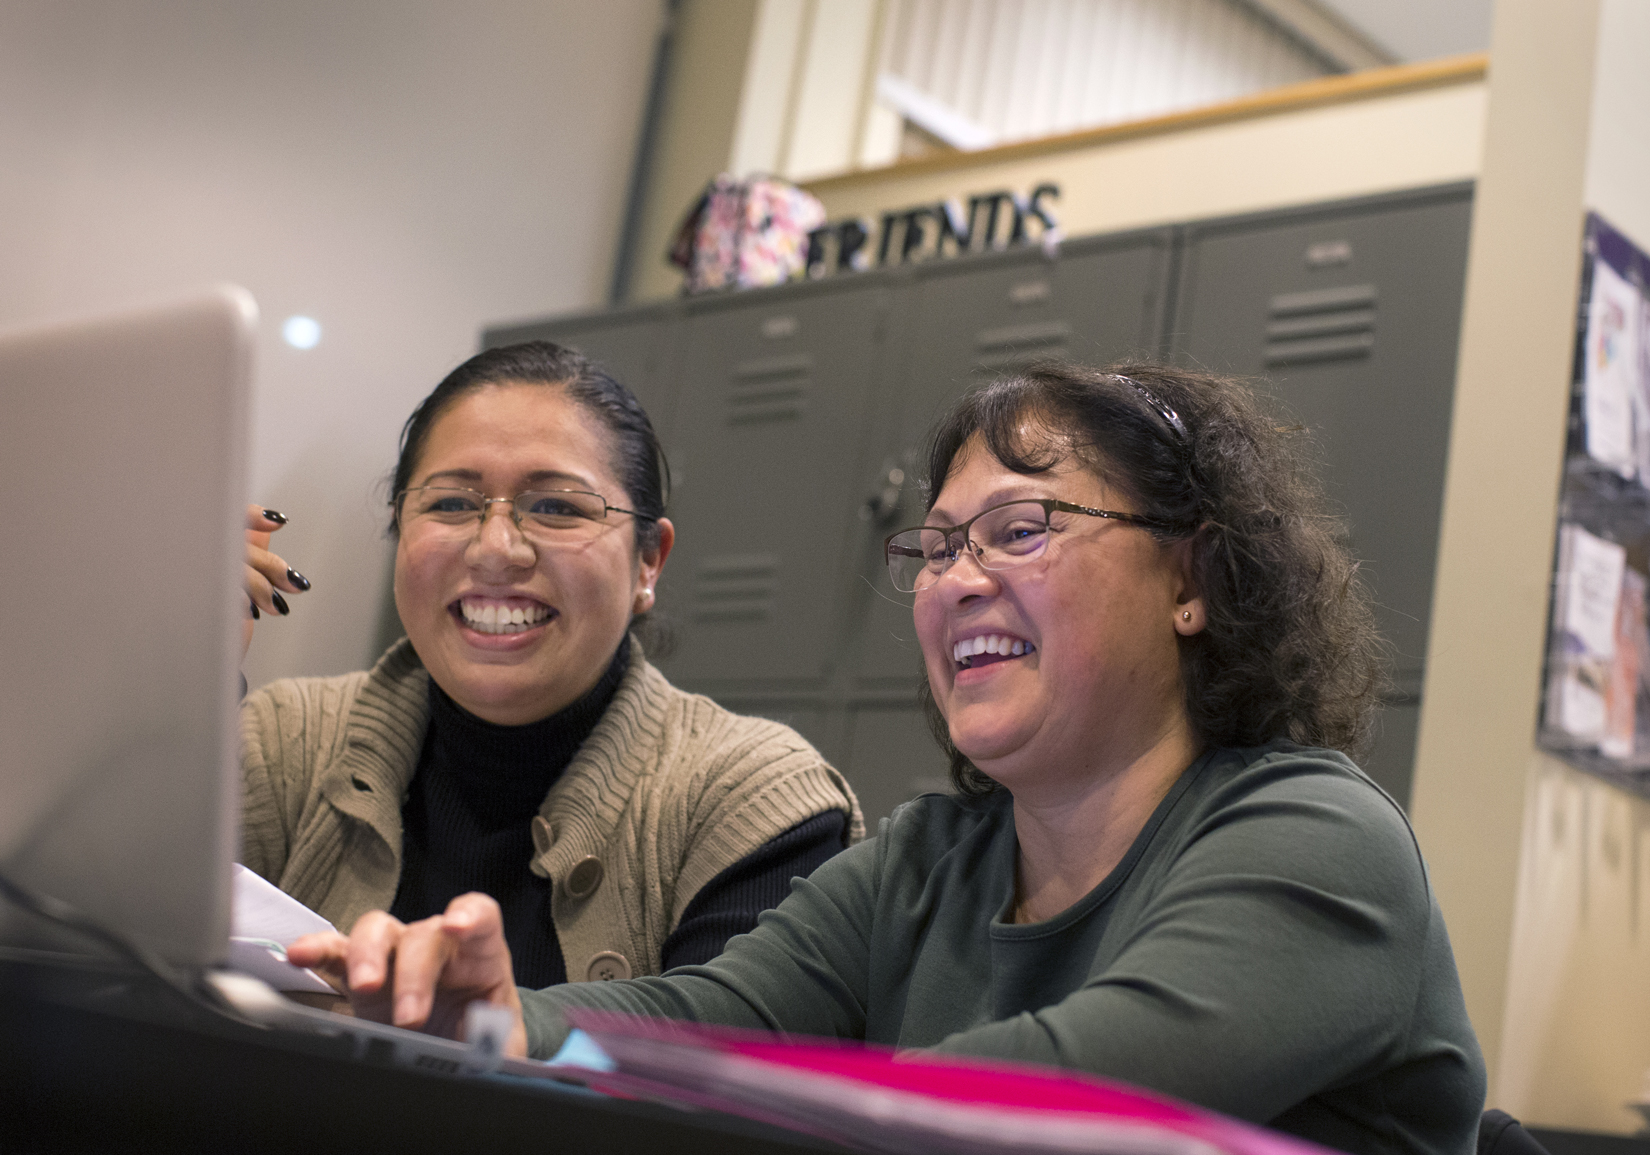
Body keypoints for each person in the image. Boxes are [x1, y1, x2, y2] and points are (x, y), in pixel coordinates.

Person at [289, 362, 1486, 1155]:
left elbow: (1044, 1107)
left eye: (1020, 530)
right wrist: (500, 1019)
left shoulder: (1317, 842)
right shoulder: (927, 860)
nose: (957, 578)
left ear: (1191, 578)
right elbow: (702, 1021)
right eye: (939, 545)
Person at [238, 341, 861, 987]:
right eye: (450, 503)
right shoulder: (283, 743)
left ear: (649, 561)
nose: (495, 549)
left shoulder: (750, 802)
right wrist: (178, 668)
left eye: (558, 507)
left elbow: (719, 1068)